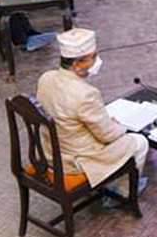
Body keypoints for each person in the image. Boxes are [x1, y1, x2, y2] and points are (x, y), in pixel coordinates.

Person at [34, 28, 149, 207]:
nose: (97, 61)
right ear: (77, 64)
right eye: (93, 57)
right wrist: (120, 127)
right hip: (76, 160)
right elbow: (107, 136)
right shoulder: (86, 94)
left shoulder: (46, 77)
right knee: (139, 142)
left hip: (52, 151)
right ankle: (121, 193)